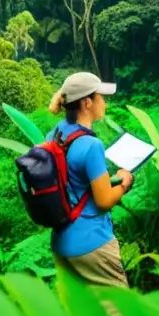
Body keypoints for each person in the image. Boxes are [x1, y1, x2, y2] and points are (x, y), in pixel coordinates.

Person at [47, 71, 135, 291]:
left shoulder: (54, 134)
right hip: (92, 244)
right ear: (87, 103)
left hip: (61, 242)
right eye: (100, 97)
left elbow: (72, 181)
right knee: (121, 313)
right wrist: (124, 182)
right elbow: (104, 201)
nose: (104, 102)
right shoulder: (91, 145)